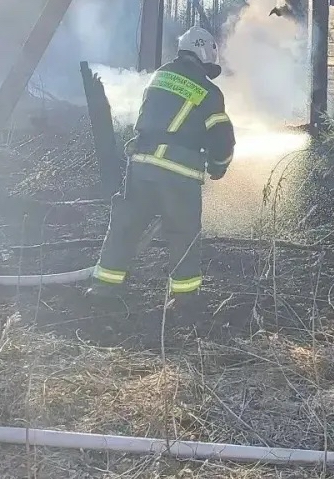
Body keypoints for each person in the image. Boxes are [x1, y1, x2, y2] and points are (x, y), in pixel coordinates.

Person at [88, 26, 235, 306]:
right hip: (178, 171)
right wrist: (219, 166)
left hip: (141, 164)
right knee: (183, 234)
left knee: (126, 226)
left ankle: (103, 288)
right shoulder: (208, 91)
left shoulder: (160, 76)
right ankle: (183, 301)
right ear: (206, 53)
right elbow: (221, 136)